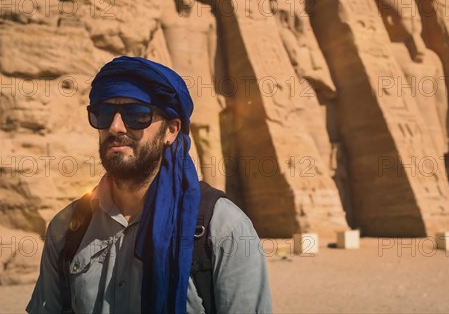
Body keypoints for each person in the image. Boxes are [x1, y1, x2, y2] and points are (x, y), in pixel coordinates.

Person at [26, 56, 272, 313]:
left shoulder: (222, 228)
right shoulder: (67, 229)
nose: (115, 127)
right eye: (104, 114)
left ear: (172, 130)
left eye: (137, 114)